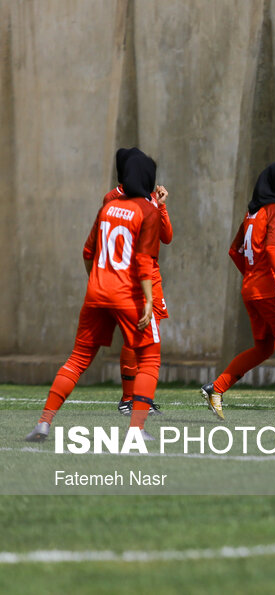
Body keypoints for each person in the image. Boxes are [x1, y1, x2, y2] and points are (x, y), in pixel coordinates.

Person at [26, 151, 164, 441]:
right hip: (128, 295)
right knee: (150, 358)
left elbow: (88, 253)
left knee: (77, 359)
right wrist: (149, 300)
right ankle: (136, 430)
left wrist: (97, 281)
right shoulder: (148, 210)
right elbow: (143, 263)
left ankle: (44, 422)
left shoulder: (108, 208)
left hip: (96, 292)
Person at [201, 161, 275, 423]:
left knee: (264, 347)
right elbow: (273, 250)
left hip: (251, 290)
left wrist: (253, 276)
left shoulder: (252, 213)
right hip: (271, 290)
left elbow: (235, 251)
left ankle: (216, 388)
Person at [105, 147, 173, 417]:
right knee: (140, 339)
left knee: (144, 336)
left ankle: (136, 399)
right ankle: (131, 399)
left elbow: (166, 236)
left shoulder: (146, 199)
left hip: (148, 275)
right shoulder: (118, 199)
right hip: (135, 275)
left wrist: (161, 205)